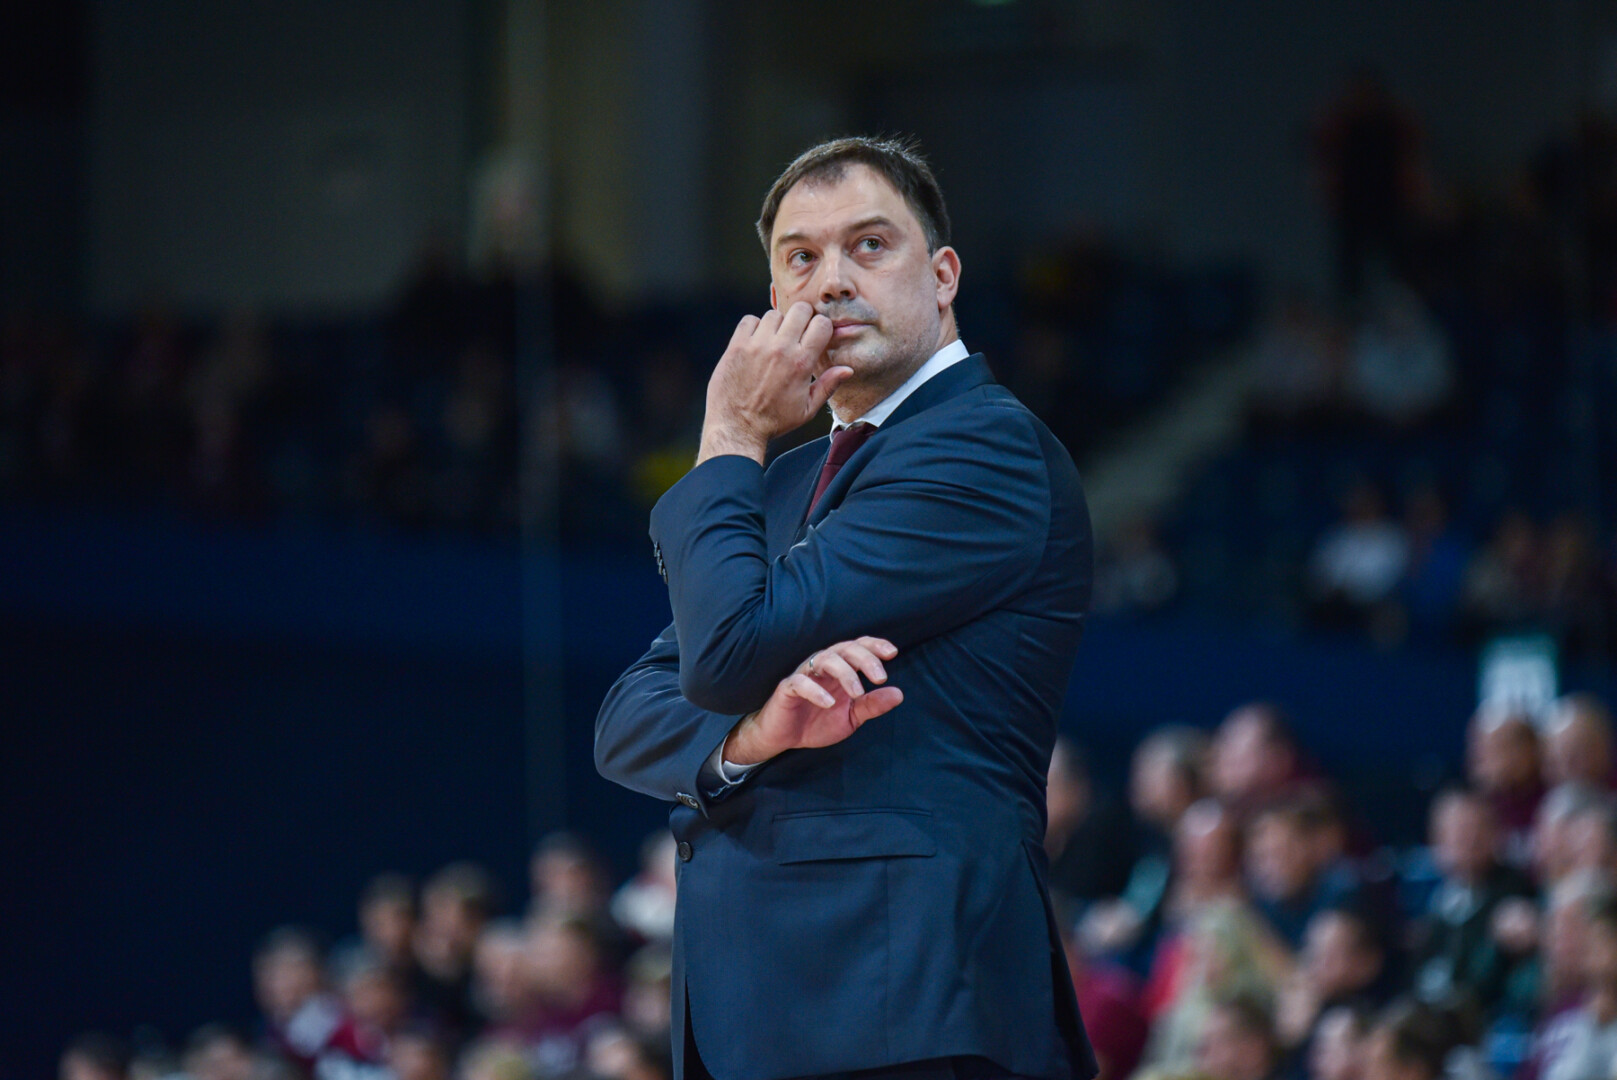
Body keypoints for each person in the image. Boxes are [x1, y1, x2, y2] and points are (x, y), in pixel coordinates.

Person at [596, 135, 1096, 1080]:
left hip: (909, 1007)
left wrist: (730, 427)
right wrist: (753, 736)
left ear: (942, 275)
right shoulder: (781, 484)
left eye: (869, 245)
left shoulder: (983, 448)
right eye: (801, 257)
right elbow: (627, 716)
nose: (830, 281)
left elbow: (724, 654)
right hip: (766, 1019)